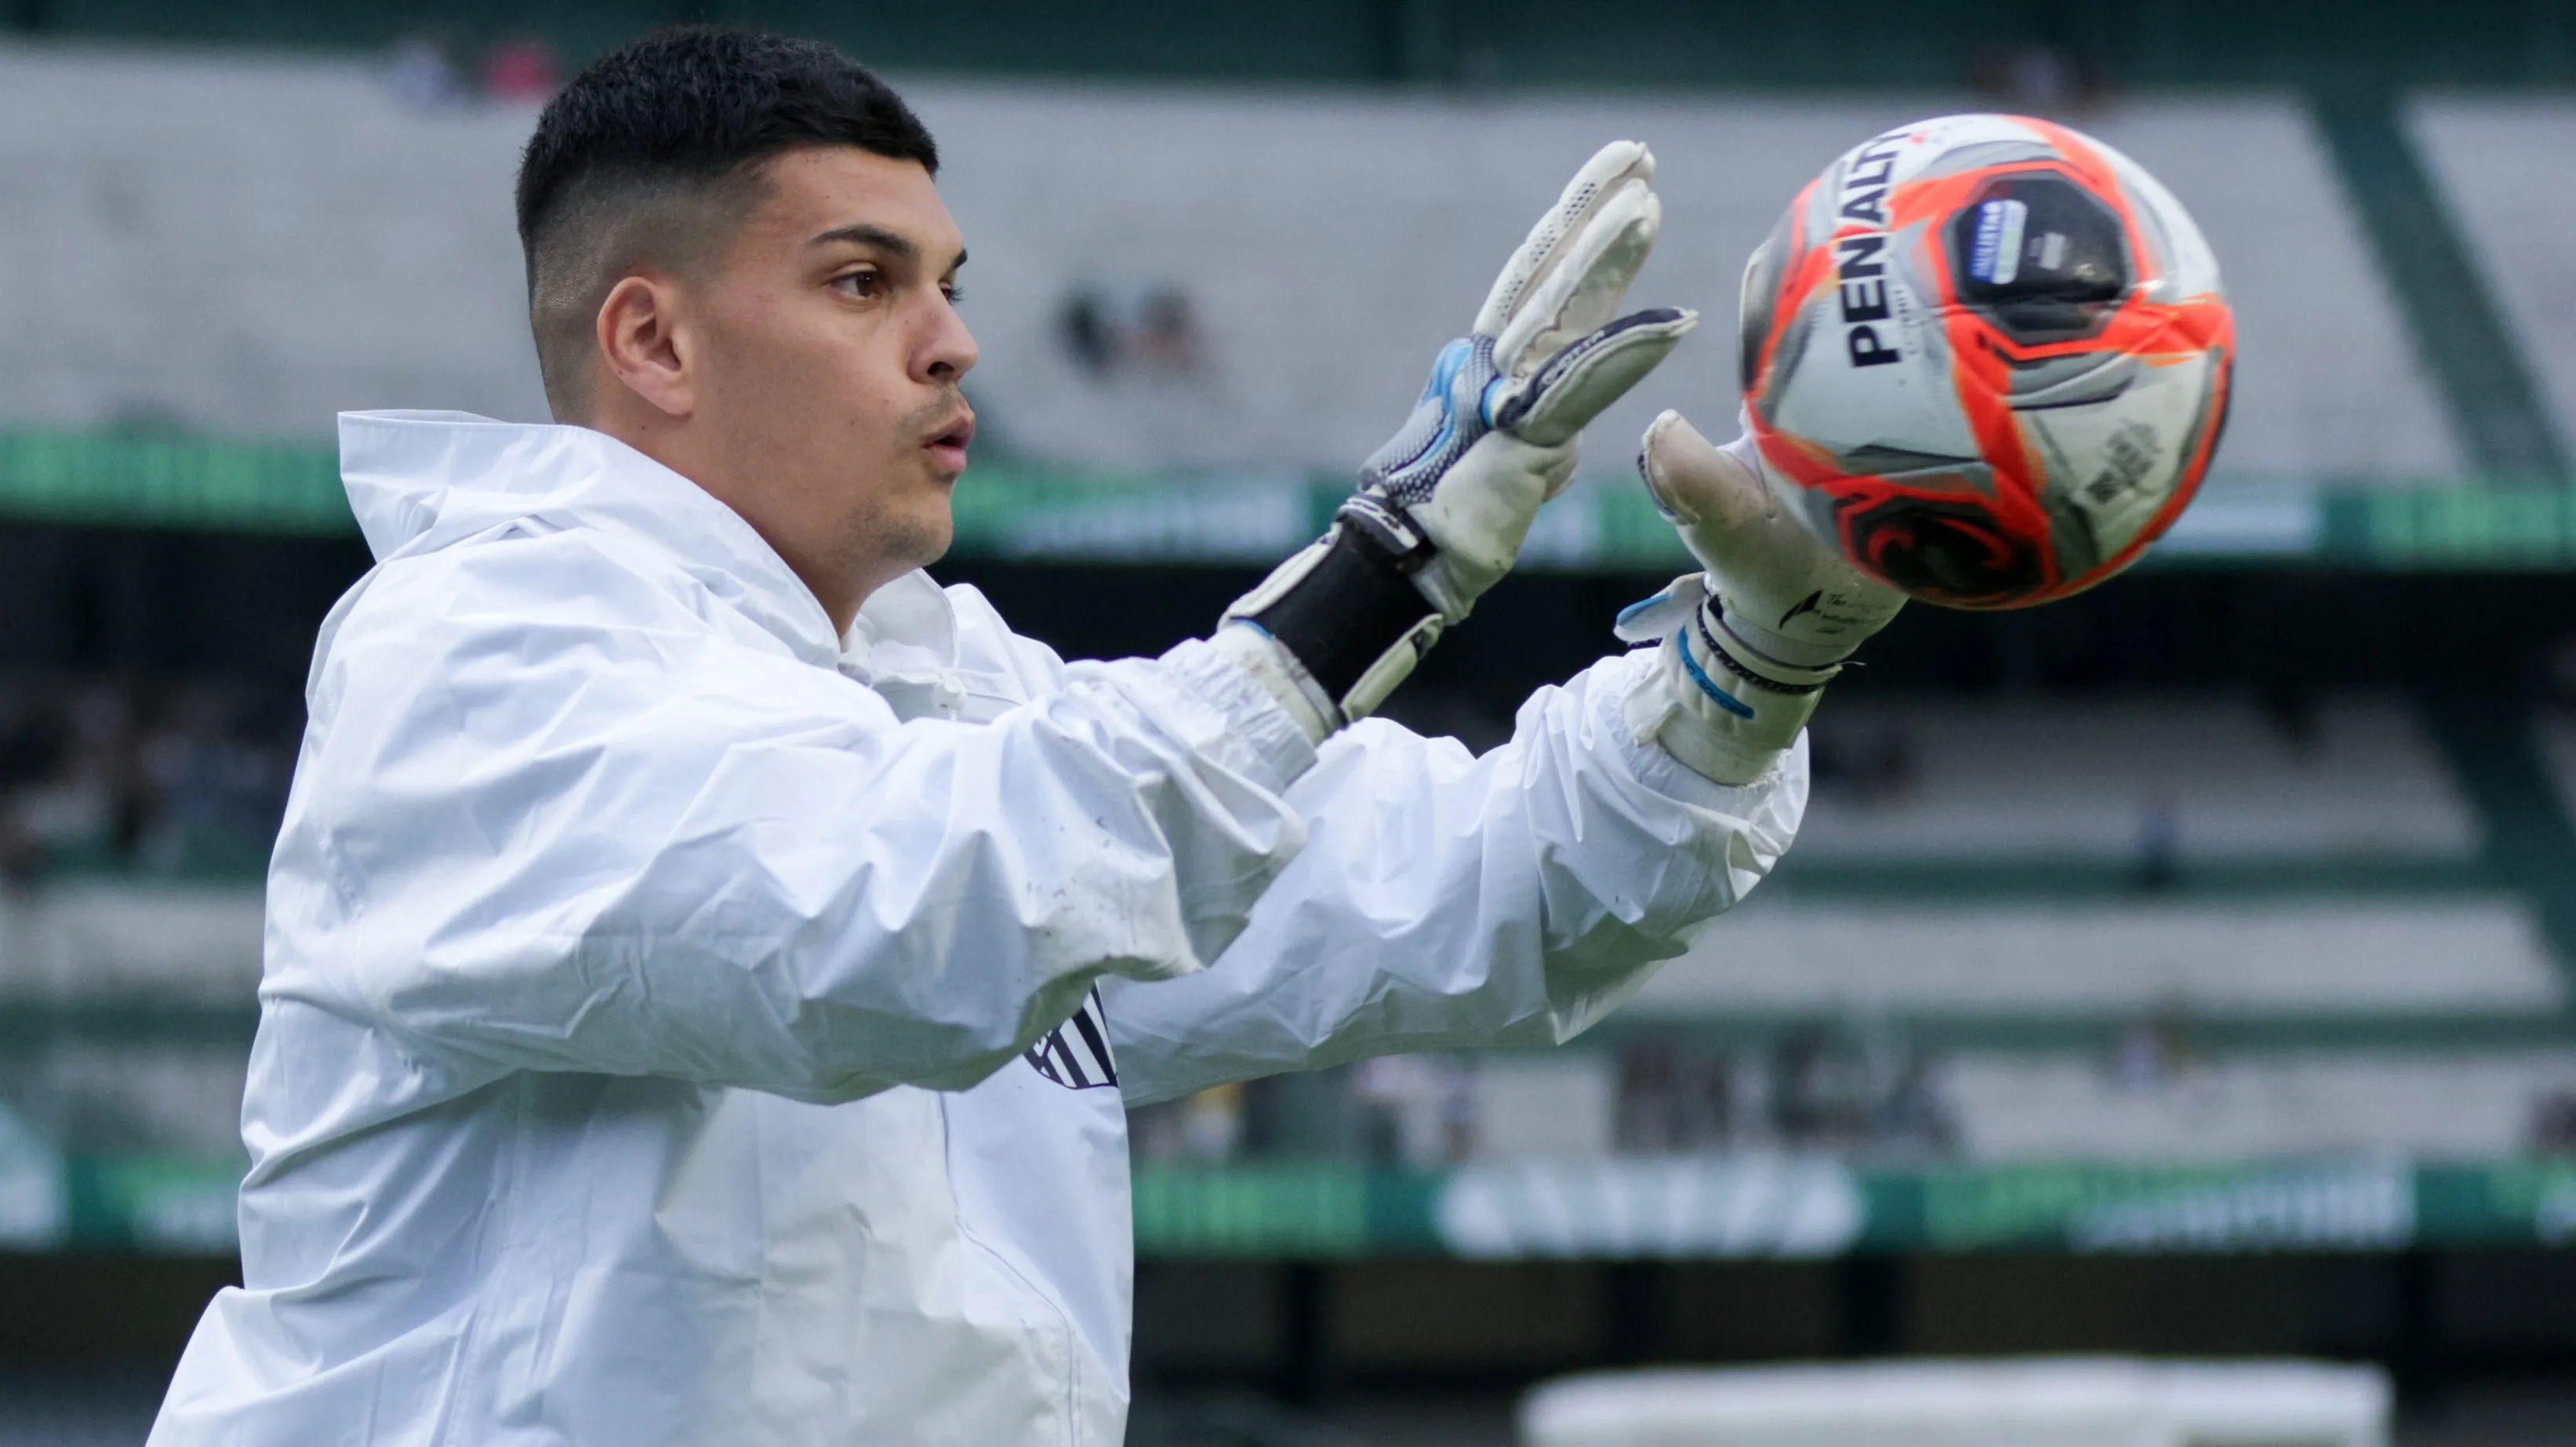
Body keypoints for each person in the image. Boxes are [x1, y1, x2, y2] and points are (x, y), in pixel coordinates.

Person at [147, 25, 1903, 1447]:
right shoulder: (477, 648)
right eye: (862, 283)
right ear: (653, 337)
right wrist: (1386, 564)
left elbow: (1465, 893)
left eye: (947, 280)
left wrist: (1747, 669)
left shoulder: (959, 700)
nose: (953, 343)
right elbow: (884, 917)